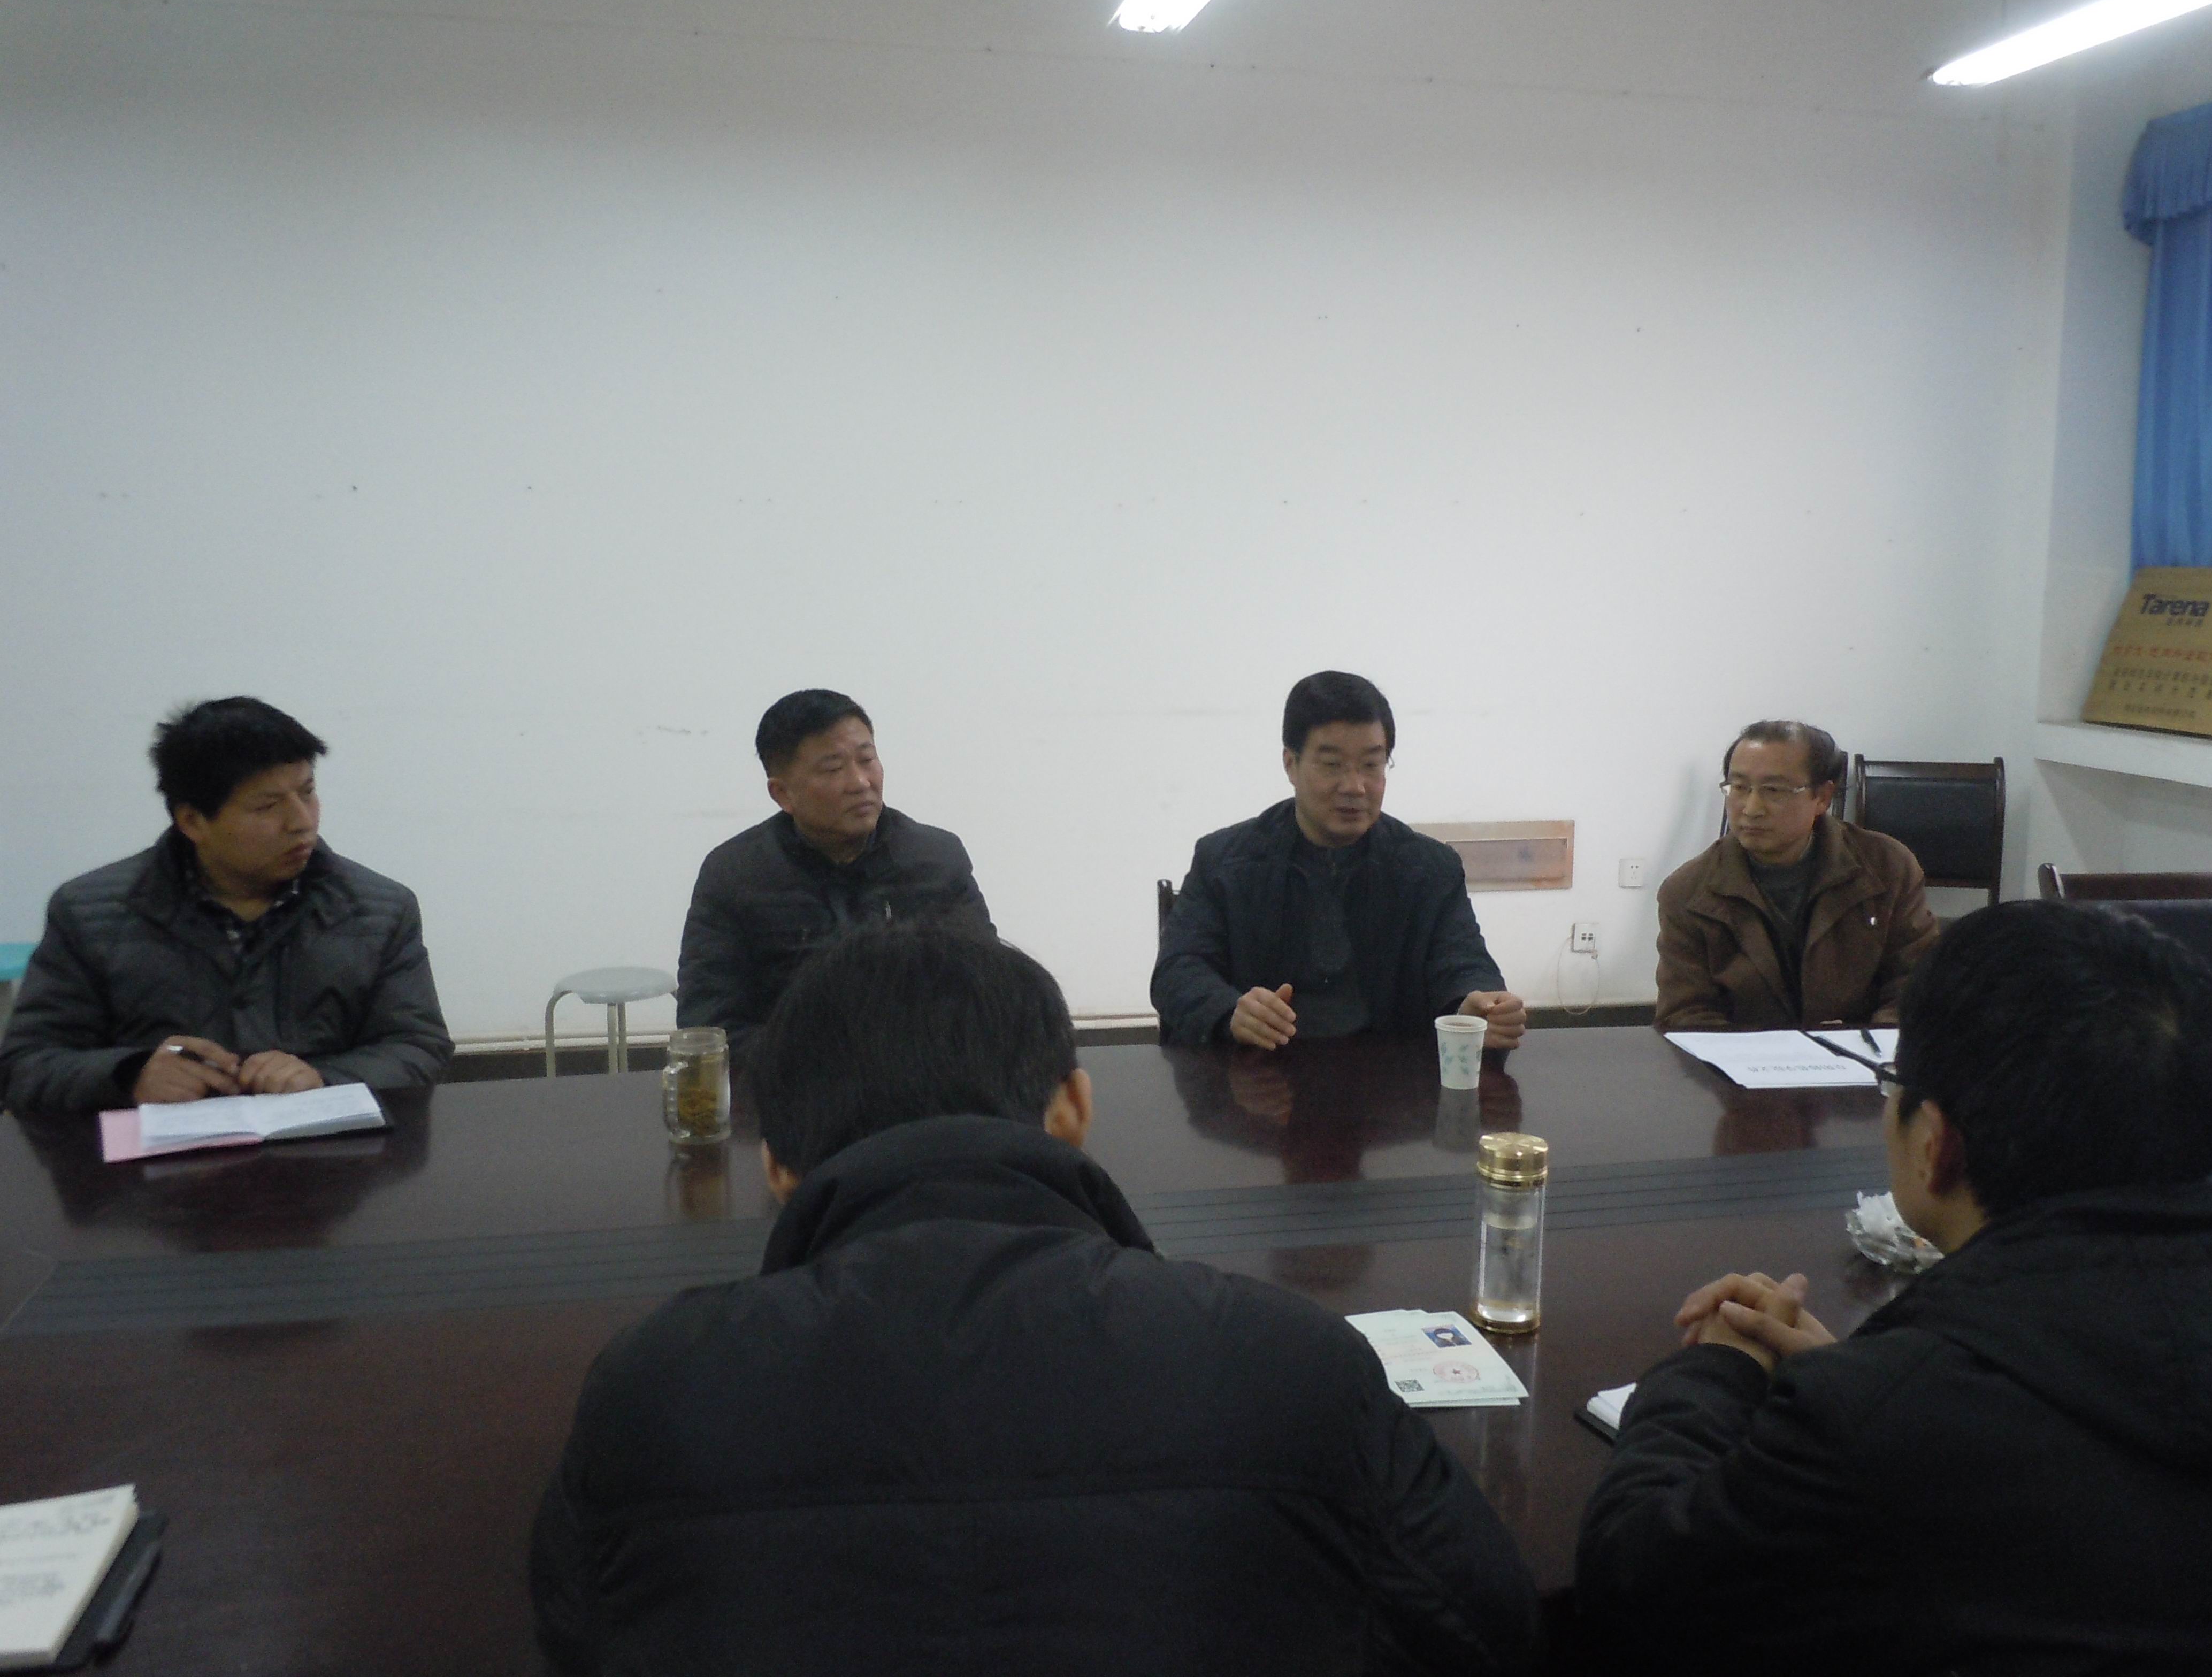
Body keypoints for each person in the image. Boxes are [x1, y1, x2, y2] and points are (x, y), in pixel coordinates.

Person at [531, 922, 1547, 1675]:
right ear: (1072, 1109)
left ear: (780, 1171)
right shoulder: (1289, 1361)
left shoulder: (654, 1393)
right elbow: (1487, 1623)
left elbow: (578, 1635)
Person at [1580, 901, 2212, 1673]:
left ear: (1937, 1143)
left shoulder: (1884, 1423)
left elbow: (1633, 1580)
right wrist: (1866, 1373)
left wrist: (1713, 1372)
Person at [0, 698, 452, 1113]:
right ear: (193, 821)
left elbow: (418, 1046)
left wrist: (325, 1079)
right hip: (150, 1169)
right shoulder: (90, 913)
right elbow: (26, 1065)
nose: (301, 822)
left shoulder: (378, 910)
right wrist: (129, 1075)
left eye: (307, 791)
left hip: (326, 1161)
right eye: (268, 806)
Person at [1152, 671, 1524, 1051]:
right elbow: (1177, 971)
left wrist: (1474, 1005)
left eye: (1371, 765)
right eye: (1332, 765)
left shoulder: (1430, 870)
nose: (1354, 786)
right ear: (1291, 764)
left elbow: (1464, 963)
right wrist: (1230, 1011)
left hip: (1393, 1077)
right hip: (1258, 1073)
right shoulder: (1225, 863)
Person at [676, 688, 993, 1066]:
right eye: (832, 769)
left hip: (925, 1079)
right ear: (782, 794)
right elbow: (710, 1027)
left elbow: (990, 992)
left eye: (867, 759)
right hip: (792, 1085)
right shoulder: (735, 876)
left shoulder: (937, 860)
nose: (860, 782)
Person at [1652, 719, 1935, 1030]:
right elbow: (1686, 1013)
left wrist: (1872, 1047)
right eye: (1739, 788)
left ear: (1822, 797)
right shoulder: (1688, 892)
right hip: (1744, 1055)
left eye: (1773, 790)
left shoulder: (1887, 866)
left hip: (1862, 1052)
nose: (1752, 809)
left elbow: (1914, 986)